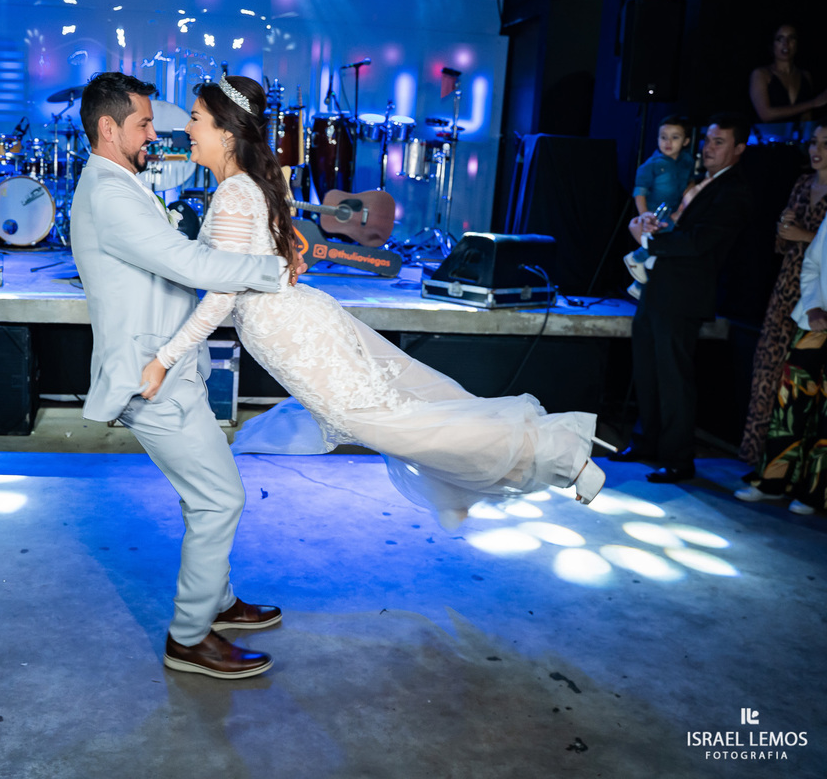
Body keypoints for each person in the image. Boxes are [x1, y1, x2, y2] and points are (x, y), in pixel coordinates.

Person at [139, 75, 606, 533]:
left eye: (195, 119)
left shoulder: (235, 193)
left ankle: (563, 454)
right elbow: (268, 258)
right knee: (401, 410)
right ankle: (457, 490)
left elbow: (224, 293)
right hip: (294, 325)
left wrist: (164, 358)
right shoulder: (249, 186)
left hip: (294, 336)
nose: (185, 130)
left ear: (226, 130)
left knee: (393, 419)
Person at [69, 72, 296, 680]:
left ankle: (218, 603)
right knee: (220, 499)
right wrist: (274, 269)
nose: (157, 133)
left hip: (174, 368)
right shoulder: (108, 193)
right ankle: (189, 637)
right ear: (108, 127)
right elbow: (186, 260)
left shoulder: (121, 181)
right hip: (152, 377)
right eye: (144, 123)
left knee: (209, 494)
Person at [614, 113, 754, 483]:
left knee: (674, 377)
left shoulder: (733, 190)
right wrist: (652, 227)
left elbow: (700, 243)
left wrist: (646, 239)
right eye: (707, 140)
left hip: (685, 295)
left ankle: (678, 459)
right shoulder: (697, 182)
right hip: (659, 288)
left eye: (719, 142)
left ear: (739, 149)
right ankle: (647, 441)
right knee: (648, 368)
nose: (708, 148)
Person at [738, 121, 827, 464]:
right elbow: (783, 243)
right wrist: (784, 231)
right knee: (768, 373)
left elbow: (816, 244)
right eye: (813, 141)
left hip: (817, 295)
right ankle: (759, 461)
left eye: (825, 143)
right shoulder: (803, 183)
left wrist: (805, 235)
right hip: (787, 286)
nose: (816, 149)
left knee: (803, 387)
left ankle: (797, 473)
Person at [735, 217, 827, 515]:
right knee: (789, 406)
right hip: (814, 322)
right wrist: (813, 306)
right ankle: (773, 483)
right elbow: (812, 263)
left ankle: (813, 494)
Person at [623, 116, 695, 299]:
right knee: (662, 238)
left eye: (675, 137)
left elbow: (688, 184)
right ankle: (636, 258)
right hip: (656, 213)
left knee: (662, 253)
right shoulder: (652, 166)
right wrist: (644, 216)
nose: (668, 142)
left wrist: (686, 204)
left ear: (686, 141)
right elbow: (639, 192)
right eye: (663, 137)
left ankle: (639, 286)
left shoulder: (687, 162)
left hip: (675, 211)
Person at [749, 24, 827, 125]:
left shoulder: (805, 75)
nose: (786, 44)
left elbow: (806, 117)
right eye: (780, 39)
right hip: (767, 138)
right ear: (772, 45)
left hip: (797, 138)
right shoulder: (761, 74)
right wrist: (813, 103)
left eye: (791, 38)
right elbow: (765, 114)